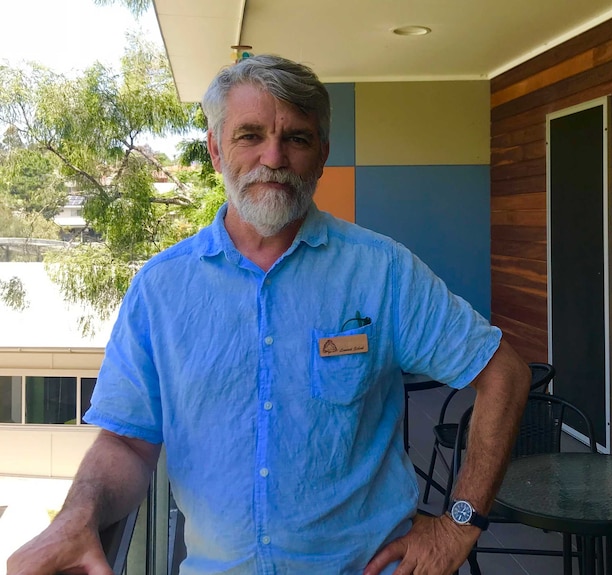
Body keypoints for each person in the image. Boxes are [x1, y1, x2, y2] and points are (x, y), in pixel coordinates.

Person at [7, 54, 530, 575]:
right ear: (216, 150)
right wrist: (78, 515)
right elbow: (126, 441)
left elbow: (503, 373)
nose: (274, 157)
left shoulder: (382, 271)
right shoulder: (160, 290)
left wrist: (460, 523)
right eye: (249, 135)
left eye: (297, 138)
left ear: (322, 154)